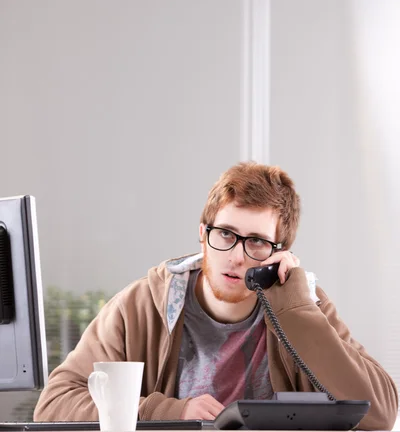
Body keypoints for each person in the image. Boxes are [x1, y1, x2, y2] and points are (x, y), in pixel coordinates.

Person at [34, 162, 398, 430]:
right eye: (225, 234)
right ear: (202, 232)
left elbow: (380, 414)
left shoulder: (301, 305)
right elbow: (54, 404)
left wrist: (298, 308)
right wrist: (167, 412)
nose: (237, 255)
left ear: (280, 251)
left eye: (256, 241)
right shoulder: (143, 305)